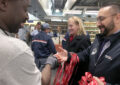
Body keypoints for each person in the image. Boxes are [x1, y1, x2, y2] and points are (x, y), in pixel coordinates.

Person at [55, 3, 120, 85]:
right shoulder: (99, 39)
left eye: (102, 19)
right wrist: (69, 56)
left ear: (117, 18)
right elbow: (86, 54)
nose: (97, 24)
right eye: (97, 20)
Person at [0, 0, 57, 85]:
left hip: (36, 59)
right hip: (44, 61)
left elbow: (33, 47)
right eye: (25, 9)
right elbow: (42, 82)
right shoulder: (17, 49)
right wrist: (49, 62)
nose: (27, 17)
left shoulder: (34, 37)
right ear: (3, 4)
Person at [61, 16, 91, 85]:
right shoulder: (69, 38)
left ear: (78, 25)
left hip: (78, 76)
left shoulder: (84, 39)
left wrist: (70, 56)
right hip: (69, 73)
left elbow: (85, 59)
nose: (69, 28)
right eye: (68, 26)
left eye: (71, 26)